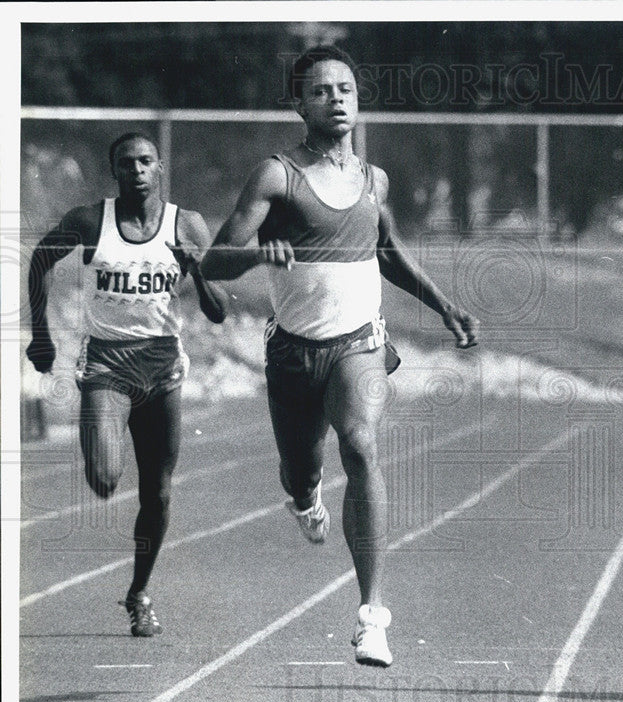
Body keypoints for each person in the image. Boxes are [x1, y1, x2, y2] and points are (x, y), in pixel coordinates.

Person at [200, 46, 479, 668]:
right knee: (301, 469)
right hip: (294, 354)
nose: (336, 98)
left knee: (361, 445)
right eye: (321, 90)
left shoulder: (372, 179)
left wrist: (443, 306)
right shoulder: (277, 175)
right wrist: (256, 255)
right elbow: (214, 261)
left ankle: (371, 616)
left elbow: (387, 250)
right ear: (298, 103)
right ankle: (304, 499)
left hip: (360, 343)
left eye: (345, 87)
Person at [26, 132, 228, 636]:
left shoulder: (189, 224)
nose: (137, 170)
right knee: (104, 479)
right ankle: (102, 442)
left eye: (145, 162)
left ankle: (138, 592)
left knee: (157, 494)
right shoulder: (90, 221)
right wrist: (41, 336)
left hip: (162, 369)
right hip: (107, 367)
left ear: (160, 168)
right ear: (114, 171)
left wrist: (196, 269)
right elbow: (40, 261)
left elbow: (219, 311)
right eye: (126, 163)